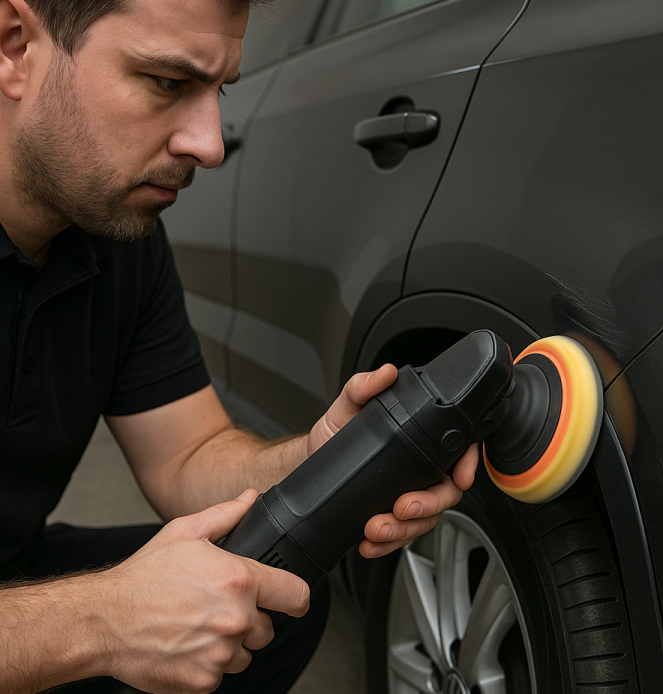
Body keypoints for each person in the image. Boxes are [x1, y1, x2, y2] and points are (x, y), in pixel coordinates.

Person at [0, 0, 479, 692]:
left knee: (268, 596)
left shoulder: (115, 241)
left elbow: (187, 457)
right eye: (167, 82)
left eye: (218, 91)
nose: (210, 145)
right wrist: (103, 619)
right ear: (15, 45)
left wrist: (322, 460)